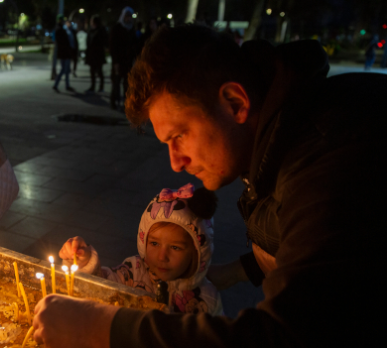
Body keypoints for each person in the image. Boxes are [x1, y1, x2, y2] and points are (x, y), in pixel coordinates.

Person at [32, 25, 383, 347]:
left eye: (179, 136)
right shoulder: (290, 134)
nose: (174, 161)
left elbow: (289, 334)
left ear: (235, 103)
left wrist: (104, 328)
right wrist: (237, 271)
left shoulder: (334, 155)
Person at [59, 184, 222, 315]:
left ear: (197, 252)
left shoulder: (207, 300)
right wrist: (84, 261)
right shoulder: (133, 272)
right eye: (154, 244)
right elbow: (103, 285)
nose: (162, 256)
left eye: (175, 247)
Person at [109, 7, 137, 110]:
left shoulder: (131, 29)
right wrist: (115, 61)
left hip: (128, 62)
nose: (128, 18)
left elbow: (134, 45)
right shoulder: (117, 28)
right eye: (126, 16)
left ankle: (126, 104)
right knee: (116, 83)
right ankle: (113, 102)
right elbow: (113, 46)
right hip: (118, 61)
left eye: (129, 16)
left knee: (127, 85)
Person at [85, 15, 107, 93]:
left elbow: (102, 42)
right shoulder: (90, 30)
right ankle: (93, 86)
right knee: (92, 71)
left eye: (92, 21)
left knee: (99, 71)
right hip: (91, 55)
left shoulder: (100, 30)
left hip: (98, 55)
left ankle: (101, 87)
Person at [52, 19, 76, 92]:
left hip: (65, 53)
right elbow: (67, 43)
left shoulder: (66, 31)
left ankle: (65, 85)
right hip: (65, 53)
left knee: (66, 70)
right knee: (64, 70)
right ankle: (57, 85)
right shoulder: (64, 31)